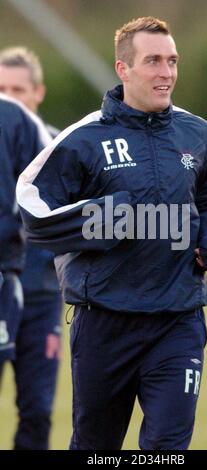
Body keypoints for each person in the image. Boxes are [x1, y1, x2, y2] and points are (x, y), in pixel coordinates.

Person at [17, 17, 207, 450]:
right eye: (153, 61)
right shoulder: (85, 139)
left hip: (178, 320)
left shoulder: (199, 134)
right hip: (104, 324)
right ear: (123, 69)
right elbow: (31, 206)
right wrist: (100, 218)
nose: (166, 72)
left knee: (167, 449)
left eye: (172, 61)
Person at [0, 47, 62, 450]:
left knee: (38, 411)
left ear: (37, 93)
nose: (7, 97)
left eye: (16, 89)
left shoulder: (64, 148)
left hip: (42, 299)